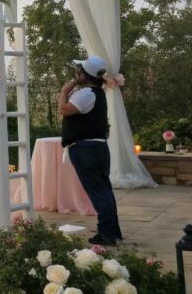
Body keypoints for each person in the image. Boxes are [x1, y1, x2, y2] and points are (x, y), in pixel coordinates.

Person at [58, 55, 122, 246]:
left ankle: (107, 234)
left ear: (86, 75)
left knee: (98, 192)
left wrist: (64, 91)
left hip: (86, 148)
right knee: (104, 190)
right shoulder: (97, 93)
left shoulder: (86, 94)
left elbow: (64, 109)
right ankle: (111, 230)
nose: (76, 73)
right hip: (98, 146)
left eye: (80, 71)